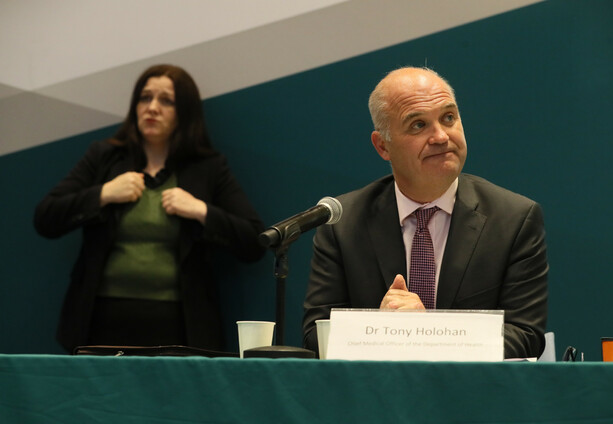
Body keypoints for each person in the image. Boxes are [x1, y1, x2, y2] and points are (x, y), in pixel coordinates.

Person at [303, 67, 548, 359]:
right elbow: (315, 336)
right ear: (383, 146)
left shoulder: (513, 219)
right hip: (378, 387)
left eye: (449, 118)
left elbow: (526, 336)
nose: (441, 136)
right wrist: (377, 328)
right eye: (418, 125)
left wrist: (425, 330)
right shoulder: (343, 224)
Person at [34, 64, 265, 352]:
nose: (152, 108)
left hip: (180, 325)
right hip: (100, 320)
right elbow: (46, 217)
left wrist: (200, 210)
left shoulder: (207, 168)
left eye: (166, 101)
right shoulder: (105, 157)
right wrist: (103, 194)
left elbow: (254, 241)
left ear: (185, 112)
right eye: (145, 98)